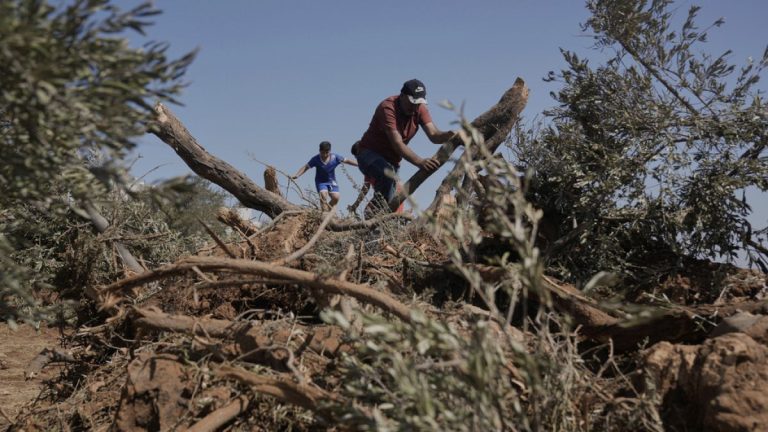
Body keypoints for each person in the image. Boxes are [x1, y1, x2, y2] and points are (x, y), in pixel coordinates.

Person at [354, 79, 456, 215]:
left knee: (388, 200)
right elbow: (397, 143)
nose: (414, 108)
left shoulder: (419, 109)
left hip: (392, 161)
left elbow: (433, 135)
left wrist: (449, 135)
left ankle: (371, 218)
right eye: (412, 103)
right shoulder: (388, 108)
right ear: (402, 96)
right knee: (387, 175)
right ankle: (374, 223)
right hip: (368, 154)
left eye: (418, 104)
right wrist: (420, 162)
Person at [292, 141, 358, 211]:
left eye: (327, 152)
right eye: (323, 153)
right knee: (323, 195)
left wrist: (358, 164)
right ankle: (324, 213)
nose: (325, 155)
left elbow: (347, 160)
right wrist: (297, 175)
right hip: (321, 182)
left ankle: (327, 210)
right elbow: (306, 167)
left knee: (336, 198)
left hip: (331, 181)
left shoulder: (335, 157)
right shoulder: (315, 159)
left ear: (330, 151)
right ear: (320, 151)